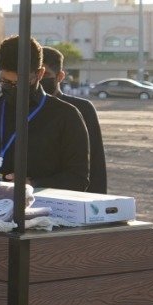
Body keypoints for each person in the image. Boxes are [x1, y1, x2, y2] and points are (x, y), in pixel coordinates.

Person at [0, 35, 90, 191]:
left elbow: (78, 178)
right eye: (5, 82)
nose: (12, 89)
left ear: (40, 74)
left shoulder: (66, 115)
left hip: (41, 204)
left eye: (20, 82)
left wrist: (32, 184)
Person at [41, 46, 108, 194]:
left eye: (45, 75)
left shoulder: (81, 108)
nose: (39, 81)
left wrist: (96, 200)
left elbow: (95, 162)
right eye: (35, 75)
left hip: (69, 195)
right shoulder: (21, 108)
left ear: (60, 76)